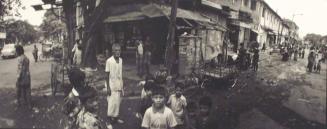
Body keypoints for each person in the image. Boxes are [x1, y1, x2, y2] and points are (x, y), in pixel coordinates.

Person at [105, 43, 124, 124]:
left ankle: (115, 117)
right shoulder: (109, 61)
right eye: (116, 50)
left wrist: (122, 85)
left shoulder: (121, 60)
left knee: (117, 102)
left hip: (119, 84)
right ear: (112, 51)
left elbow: (121, 73)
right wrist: (108, 87)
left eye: (119, 50)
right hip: (111, 84)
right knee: (111, 102)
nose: (118, 52)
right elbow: (106, 75)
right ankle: (108, 121)